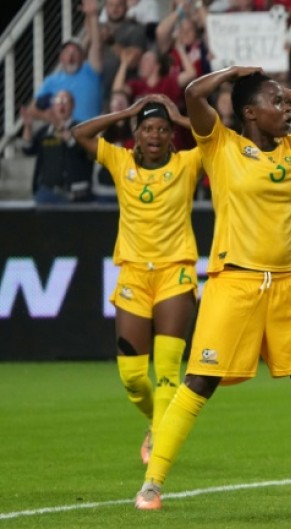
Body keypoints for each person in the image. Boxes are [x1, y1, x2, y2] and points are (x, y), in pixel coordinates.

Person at [132, 65, 291, 510]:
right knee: (199, 381)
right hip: (234, 281)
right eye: (275, 104)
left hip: (290, 283)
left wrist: (287, 91)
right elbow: (193, 94)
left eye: (285, 103)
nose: (286, 110)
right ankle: (152, 483)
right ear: (250, 113)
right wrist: (234, 74)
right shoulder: (220, 144)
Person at [72, 94, 202, 465]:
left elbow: (221, 140)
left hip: (175, 273)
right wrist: (126, 111)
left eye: (162, 129)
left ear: (171, 136)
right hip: (133, 275)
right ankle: (157, 421)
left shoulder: (188, 163)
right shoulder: (120, 161)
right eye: (147, 128)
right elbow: (80, 134)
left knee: (167, 373)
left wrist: (179, 117)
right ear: (136, 135)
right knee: (132, 378)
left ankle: (160, 452)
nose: (156, 135)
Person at [32, 0, 103, 124]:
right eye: (67, 53)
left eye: (75, 53)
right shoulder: (52, 80)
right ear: (61, 57)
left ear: (82, 56)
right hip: (64, 136)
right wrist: (51, 118)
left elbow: (96, 44)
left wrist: (93, 15)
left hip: (89, 133)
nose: (71, 57)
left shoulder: (91, 71)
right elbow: (32, 109)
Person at [21, 90, 95, 204]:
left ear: (73, 105)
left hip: (77, 195)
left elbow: (88, 152)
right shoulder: (45, 131)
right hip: (47, 193)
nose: (61, 104)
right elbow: (27, 149)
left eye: (65, 101)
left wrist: (65, 133)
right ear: (53, 106)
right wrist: (27, 127)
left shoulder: (83, 128)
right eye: (58, 101)